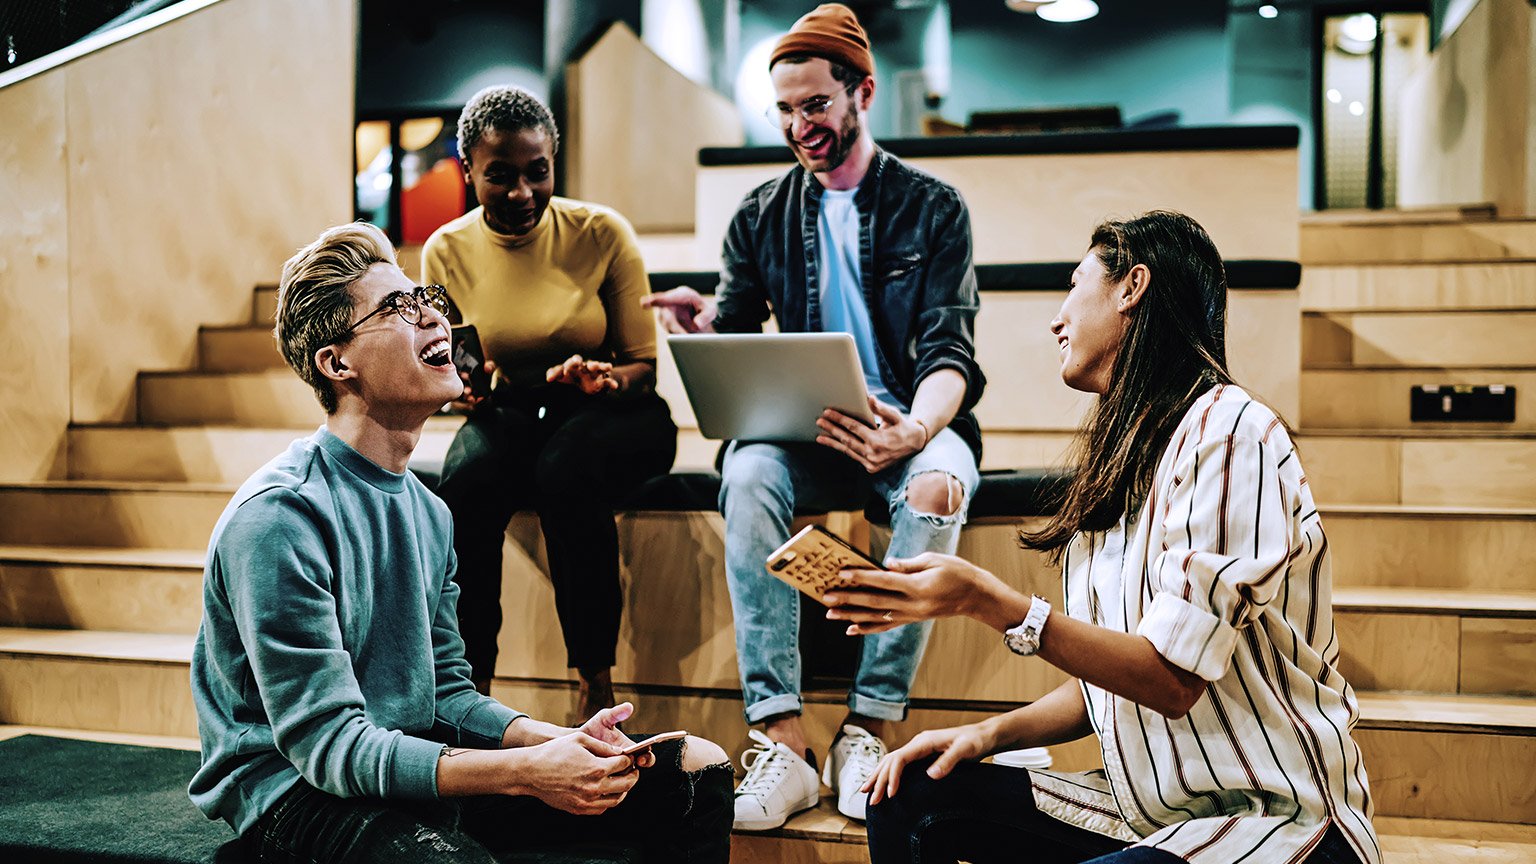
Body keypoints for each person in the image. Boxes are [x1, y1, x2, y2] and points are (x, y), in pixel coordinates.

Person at [820, 211, 1380, 864]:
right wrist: (984, 734)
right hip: (1144, 811)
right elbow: (1111, 682)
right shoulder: (1125, 457)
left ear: (1131, 287)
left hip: (1274, 817)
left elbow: (1171, 679)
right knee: (908, 791)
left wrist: (988, 601)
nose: (1057, 318)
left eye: (1074, 285)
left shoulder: (1232, 435)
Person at [187, 222, 732, 863]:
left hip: (406, 759)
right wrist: (528, 770)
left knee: (698, 770)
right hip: (295, 790)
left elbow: (446, 693)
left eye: (426, 300)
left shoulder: (430, 513)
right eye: (397, 308)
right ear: (337, 364)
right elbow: (330, 748)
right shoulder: (281, 517)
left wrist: (561, 743)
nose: (433, 319)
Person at [644, 3, 985, 830]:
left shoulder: (932, 207)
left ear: (862, 93)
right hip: (806, 430)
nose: (801, 125)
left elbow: (952, 354)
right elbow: (738, 328)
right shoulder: (760, 214)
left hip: (910, 424)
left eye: (817, 105)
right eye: (786, 109)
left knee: (938, 485)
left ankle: (868, 727)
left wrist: (915, 430)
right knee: (750, 467)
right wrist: (706, 328)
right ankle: (784, 742)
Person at [423, 85, 677, 718]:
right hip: (511, 410)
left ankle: (595, 681)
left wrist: (607, 378)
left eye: (538, 173)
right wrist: (466, 387)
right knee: (464, 482)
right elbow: (453, 368)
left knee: (567, 470)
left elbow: (643, 366)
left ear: (554, 163)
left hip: (610, 409)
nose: (521, 192)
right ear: (469, 173)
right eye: (499, 176)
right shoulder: (444, 251)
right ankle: (466, 690)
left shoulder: (600, 233)